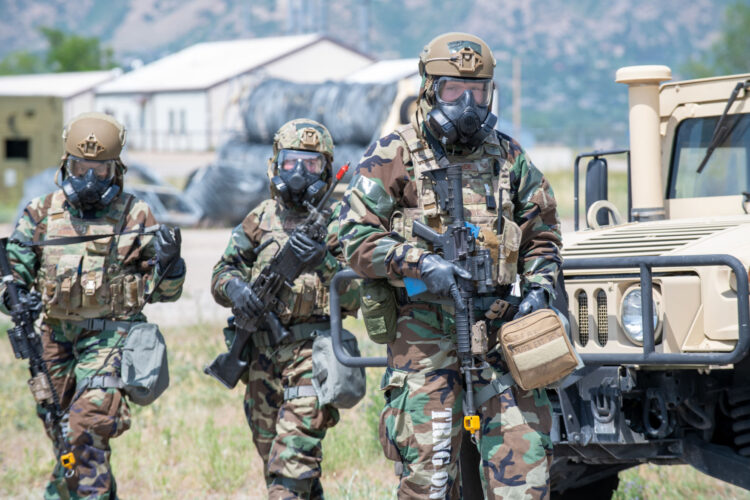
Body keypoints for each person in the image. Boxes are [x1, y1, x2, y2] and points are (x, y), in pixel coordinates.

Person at [338, 33, 563, 499]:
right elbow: (353, 236)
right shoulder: (393, 153)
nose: (467, 104)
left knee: (526, 476)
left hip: (500, 334)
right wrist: (419, 263)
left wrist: (540, 289)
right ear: (429, 90)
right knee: (430, 479)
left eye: (477, 91)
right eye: (453, 90)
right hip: (424, 333)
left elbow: (542, 234)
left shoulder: (509, 156)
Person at [0, 112, 185, 499]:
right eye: (79, 168)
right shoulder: (41, 212)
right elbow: (13, 273)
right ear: (64, 166)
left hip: (111, 340)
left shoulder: (135, 215)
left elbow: (165, 292)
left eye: (99, 171)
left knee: (85, 428)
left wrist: (171, 265)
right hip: (54, 342)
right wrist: (13, 296)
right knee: (64, 436)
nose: (88, 179)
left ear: (116, 171)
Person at [210, 118, 358, 499]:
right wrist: (237, 289)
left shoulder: (340, 223)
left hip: (314, 355)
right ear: (275, 164)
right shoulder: (260, 218)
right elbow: (222, 272)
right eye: (291, 162)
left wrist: (324, 262)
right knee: (279, 465)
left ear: (327, 171)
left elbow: (360, 296)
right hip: (261, 359)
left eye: (311, 164)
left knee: (289, 467)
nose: (299, 173)